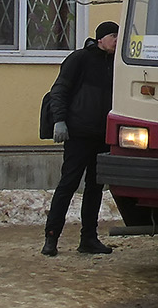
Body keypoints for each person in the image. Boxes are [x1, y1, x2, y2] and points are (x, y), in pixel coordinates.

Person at [42, 20, 118, 257]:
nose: (117, 40)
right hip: (78, 135)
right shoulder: (80, 59)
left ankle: (89, 239)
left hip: (102, 136)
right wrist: (59, 120)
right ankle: (51, 238)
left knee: (95, 189)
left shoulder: (117, 64)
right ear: (100, 39)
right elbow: (60, 90)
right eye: (113, 36)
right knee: (68, 185)